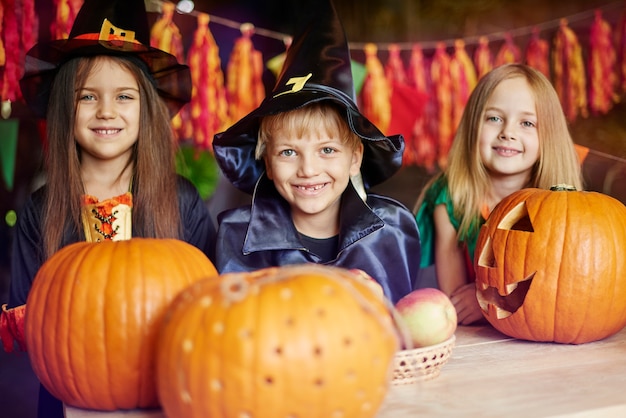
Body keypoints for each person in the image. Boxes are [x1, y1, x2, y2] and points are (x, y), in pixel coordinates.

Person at [0, 0, 215, 416]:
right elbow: (32, 323)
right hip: (70, 399)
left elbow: (209, 305)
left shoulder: (181, 199)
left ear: (146, 108)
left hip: (168, 394)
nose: (106, 111)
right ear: (66, 106)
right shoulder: (41, 210)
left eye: (124, 96)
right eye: (88, 96)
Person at [212, 0, 420, 305]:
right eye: (287, 153)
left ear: (355, 159)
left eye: (327, 149)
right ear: (267, 163)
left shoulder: (393, 229)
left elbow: (402, 328)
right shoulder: (237, 234)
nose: (308, 169)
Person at [414, 63, 584, 325]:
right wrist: (482, 300)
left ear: (548, 136)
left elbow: (563, 287)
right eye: (494, 118)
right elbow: (455, 299)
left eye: (527, 123)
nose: (508, 133)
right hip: (478, 336)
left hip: (543, 328)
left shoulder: (563, 204)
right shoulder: (451, 196)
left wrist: (489, 297)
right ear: (473, 125)